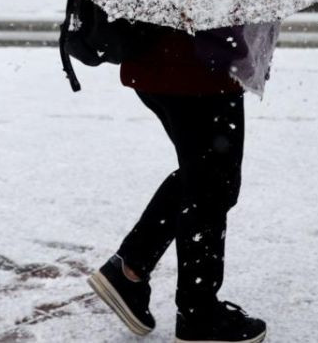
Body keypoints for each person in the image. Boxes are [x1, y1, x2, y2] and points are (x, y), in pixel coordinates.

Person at [87, 22, 269, 343]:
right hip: (195, 68)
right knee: (211, 186)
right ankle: (199, 314)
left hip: (163, 61)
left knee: (204, 176)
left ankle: (130, 270)